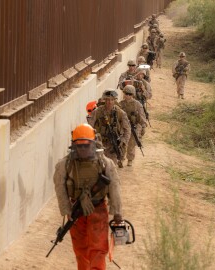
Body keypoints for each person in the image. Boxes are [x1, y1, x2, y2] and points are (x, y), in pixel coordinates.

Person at [53, 123, 123, 270]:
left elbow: (114, 188)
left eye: (86, 145)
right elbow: (60, 187)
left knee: (98, 248)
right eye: (79, 145)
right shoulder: (65, 164)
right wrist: (67, 211)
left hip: (98, 209)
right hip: (75, 212)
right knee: (80, 249)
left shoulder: (105, 163)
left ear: (92, 143)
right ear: (74, 144)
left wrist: (117, 213)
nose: (83, 149)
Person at [89, 90, 131, 168]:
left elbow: (127, 129)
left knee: (111, 168)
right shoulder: (97, 112)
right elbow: (89, 127)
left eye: (112, 100)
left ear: (115, 100)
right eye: (107, 100)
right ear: (104, 100)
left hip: (113, 145)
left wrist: (123, 141)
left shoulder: (120, 113)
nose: (109, 102)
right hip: (100, 144)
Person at [119, 85, 147, 167]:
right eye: (126, 93)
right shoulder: (121, 104)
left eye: (129, 94)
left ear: (133, 95)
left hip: (134, 126)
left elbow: (142, 116)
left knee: (131, 143)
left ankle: (130, 159)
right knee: (123, 142)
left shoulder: (137, 104)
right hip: (124, 126)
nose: (127, 96)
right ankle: (121, 158)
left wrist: (143, 126)